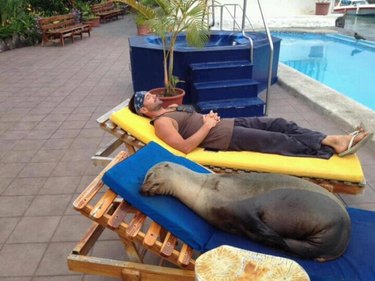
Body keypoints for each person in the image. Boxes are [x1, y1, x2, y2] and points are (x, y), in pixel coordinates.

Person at [128, 91, 371, 159]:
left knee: (279, 123)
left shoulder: (170, 109)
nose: (152, 94)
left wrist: (207, 118)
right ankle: (331, 144)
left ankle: (330, 139)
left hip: (230, 123)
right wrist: (208, 125)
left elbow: (193, 121)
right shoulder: (160, 123)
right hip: (225, 138)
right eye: (147, 97)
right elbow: (183, 147)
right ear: (144, 110)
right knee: (279, 141)